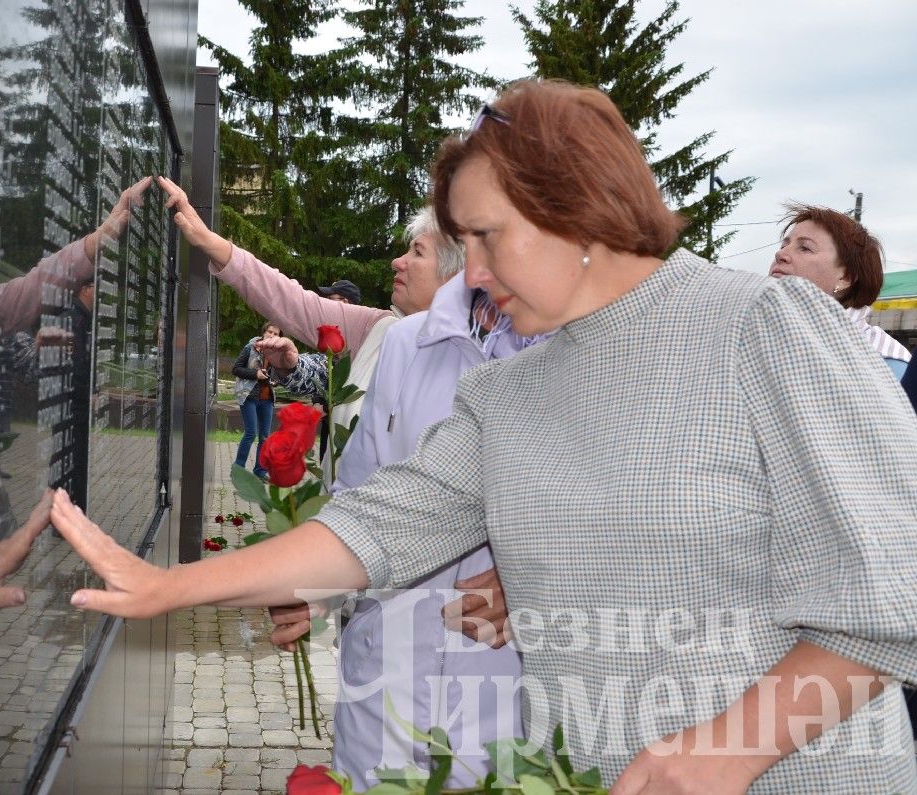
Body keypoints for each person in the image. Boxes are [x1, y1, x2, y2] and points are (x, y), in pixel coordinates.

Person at [52, 82, 917, 793]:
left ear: (574, 203)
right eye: (461, 243)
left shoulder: (761, 324)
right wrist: (172, 585)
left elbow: (890, 595)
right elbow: (379, 524)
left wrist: (726, 749)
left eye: (487, 236)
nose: (472, 271)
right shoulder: (508, 390)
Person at [268, 259, 550, 787]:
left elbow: (626, 522)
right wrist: (320, 587)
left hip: (497, 682)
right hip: (385, 674)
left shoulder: (580, 348)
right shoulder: (405, 343)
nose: (399, 260)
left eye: (416, 249)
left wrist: (532, 581)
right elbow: (360, 493)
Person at [157, 176, 456, 443]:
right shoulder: (376, 327)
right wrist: (209, 241)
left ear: (453, 275)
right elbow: (289, 299)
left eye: (417, 252)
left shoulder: (469, 365)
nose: (397, 262)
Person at [769, 203, 911, 378]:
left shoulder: (886, 365)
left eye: (805, 248)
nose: (780, 254)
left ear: (846, 278)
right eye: (784, 245)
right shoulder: (755, 336)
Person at [231, 322, 280, 478]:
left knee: (265, 437)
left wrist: (273, 380)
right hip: (249, 396)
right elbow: (236, 369)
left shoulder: (277, 353)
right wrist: (255, 374)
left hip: (267, 398)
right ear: (263, 332)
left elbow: (276, 374)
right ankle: (237, 470)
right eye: (270, 332)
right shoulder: (251, 347)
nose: (272, 335)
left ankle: (260, 470)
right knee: (251, 433)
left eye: (276, 334)